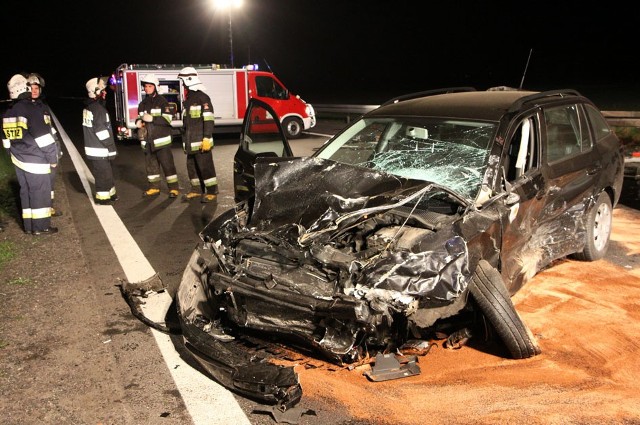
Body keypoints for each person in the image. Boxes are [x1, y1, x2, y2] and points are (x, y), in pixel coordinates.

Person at [2, 74, 58, 235]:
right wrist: (52, 158)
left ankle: (29, 226)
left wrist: (14, 155)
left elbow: (6, 141)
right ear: (23, 88)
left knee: (25, 192)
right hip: (35, 160)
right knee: (40, 193)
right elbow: (44, 139)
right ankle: (41, 227)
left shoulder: (9, 112)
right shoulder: (31, 109)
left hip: (18, 159)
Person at [177, 67, 218, 203]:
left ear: (189, 80)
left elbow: (208, 120)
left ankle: (212, 191)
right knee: (192, 167)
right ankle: (196, 190)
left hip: (201, 142)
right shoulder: (188, 100)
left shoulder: (202, 98)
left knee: (205, 167)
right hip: (190, 142)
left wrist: (206, 138)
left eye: (183, 81)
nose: (182, 84)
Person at [135, 74, 179, 198]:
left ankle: (173, 189)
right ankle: (154, 188)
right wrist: (137, 122)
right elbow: (139, 118)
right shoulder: (142, 104)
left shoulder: (163, 102)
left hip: (161, 141)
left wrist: (152, 118)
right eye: (145, 86)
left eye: (149, 86)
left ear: (155, 87)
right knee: (151, 167)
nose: (147, 88)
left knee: (168, 166)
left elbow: (168, 119)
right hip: (148, 141)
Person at [27, 72, 64, 217]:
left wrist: (57, 148)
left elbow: (49, 129)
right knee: (38, 186)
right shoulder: (26, 108)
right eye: (31, 88)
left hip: (48, 151)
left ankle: (49, 207)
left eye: (37, 88)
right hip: (37, 154)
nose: (34, 91)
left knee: (49, 183)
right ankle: (40, 214)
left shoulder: (42, 107)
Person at [82, 77, 118, 205]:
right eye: (103, 91)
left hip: (94, 149)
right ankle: (102, 198)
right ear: (97, 92)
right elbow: (101, 131)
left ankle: (111, 194)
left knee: (106, 173)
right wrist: (111, 147)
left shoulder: (90, 107)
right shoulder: (98, 110)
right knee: (103, 175)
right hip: (100, 150)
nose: (106, 93)